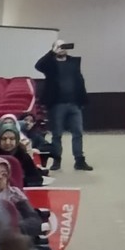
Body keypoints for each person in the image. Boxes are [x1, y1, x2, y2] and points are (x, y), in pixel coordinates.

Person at [35, 39, 92, 171]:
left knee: (78, 132)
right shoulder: (50, 63)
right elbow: (38, 66)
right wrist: (52, 53)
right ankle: (57, 160)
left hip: (74, 103)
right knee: (57, 134)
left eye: (64, 46)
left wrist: (82, 100)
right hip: (57, 104)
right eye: (60, 46)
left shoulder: (74, 62)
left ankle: (79, 160)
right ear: (54, 48)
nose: (63, 48)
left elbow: (80, 80)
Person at [0, 122, 47, 187]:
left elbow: (37, 179)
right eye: (4, 139)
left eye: (11, 139)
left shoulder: (23, 155)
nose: (7, 142)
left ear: (16, 140)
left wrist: (19, 181)